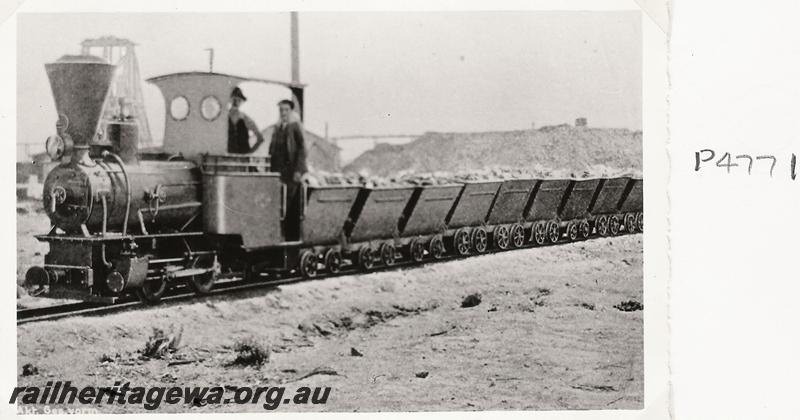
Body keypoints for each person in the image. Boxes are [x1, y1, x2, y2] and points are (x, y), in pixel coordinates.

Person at [269, 99, 308, 241]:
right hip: (278, 172)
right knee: (278, 203)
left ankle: (290, 236)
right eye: (281, 110)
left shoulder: (295, 126)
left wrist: (298, 170)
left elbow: (302, 149)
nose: (283, 113)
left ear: (291, 111)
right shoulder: (277, 128)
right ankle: (280, 235)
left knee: (290, 203)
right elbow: (272, 150)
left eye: (286, 110)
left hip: (291, 173)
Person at [227, 87, 265, 154]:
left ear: (242, 102)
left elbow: (260, 139)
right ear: (230, 99)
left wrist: (249, 153)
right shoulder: (224, 118)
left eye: (239, 100)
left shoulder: (246, 119)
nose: (236, 102)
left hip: (242, 160)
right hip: (227, 157)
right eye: (234, 99)